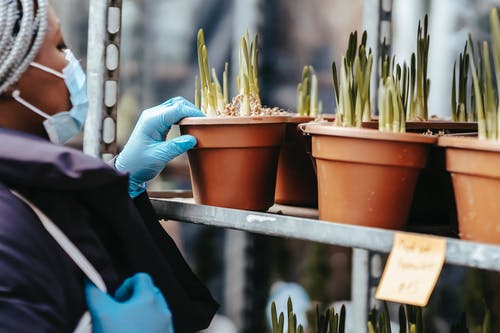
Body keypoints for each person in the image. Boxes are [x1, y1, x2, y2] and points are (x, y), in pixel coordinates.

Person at [0, 0, 218, 332]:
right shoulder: (7, 224)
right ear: (12, 75)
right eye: (59, 46)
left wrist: (121, 188)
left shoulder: (25, 190)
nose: (73, 63)